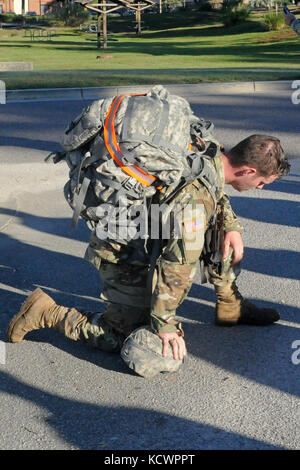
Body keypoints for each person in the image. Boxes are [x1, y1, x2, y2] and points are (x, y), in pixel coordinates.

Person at [7, 134, 290, 378]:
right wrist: (165, 324)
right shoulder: (195, 202)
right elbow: (176, 266)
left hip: (148, 233)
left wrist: (230, 226)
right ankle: (45, 312)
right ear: (247, 171)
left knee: (222, 231)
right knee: (117, 337)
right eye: (263, 182)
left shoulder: (209, 150)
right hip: (123, 252)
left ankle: (230, 305)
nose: (261, 189)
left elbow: (215, 194)